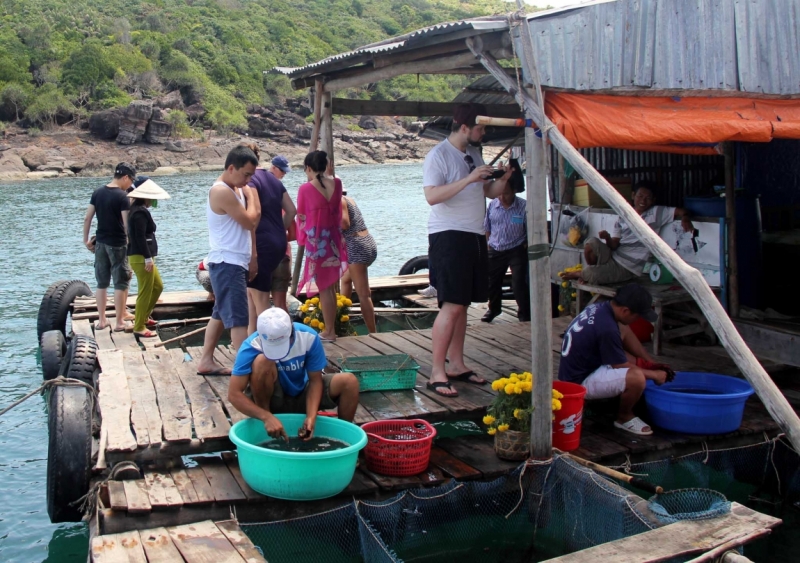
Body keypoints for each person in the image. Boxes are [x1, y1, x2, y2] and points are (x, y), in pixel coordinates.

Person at [422, 103, 512, 397]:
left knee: (465, 304)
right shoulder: (439, 155)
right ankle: (437, 371)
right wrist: (470, 179)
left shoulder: (473, 153)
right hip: (449, 235)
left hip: (475, 234)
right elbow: (433, 197)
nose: (483, 133)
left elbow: (486, 192)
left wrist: (504, 179)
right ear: (464, 127)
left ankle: (457, 364)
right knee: (451, 303)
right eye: (480, 128)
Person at [558, 283, 675, 436]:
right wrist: (655, 375)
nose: (638, 319)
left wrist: (650, 364)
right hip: (578, 382)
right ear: (625, 310)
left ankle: (648, 366)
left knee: (623, 328)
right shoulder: (607, 328)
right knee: (637, 378)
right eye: (638, 316)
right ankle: (624, 417)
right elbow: (620, 365)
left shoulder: (600, 308)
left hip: (580, 366)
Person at [228, 307, 360, 441]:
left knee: (349, 381)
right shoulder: (251, 345)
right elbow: (234, 394)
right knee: (262, 361)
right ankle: (268, 422)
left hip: (302, 392)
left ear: (291, 333)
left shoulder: (308, 336)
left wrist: (311, 416)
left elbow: (315, 381)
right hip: (272, 398)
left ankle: (345, 437)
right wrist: (266, 416)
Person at [196, 146, 261, 376]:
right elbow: (251, 221)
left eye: (251, 175)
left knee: (221, 313)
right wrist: (254, 197)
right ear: (231, 168)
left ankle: (205, 360)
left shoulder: (237, 188)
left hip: (237, 260)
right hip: (226, 262)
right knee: (238, 319)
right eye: (246, 174)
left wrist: (252, 256)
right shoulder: (221, 191)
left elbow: (248, 228)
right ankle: (247, 372)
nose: (249, 180)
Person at [562, 180, 695, 285]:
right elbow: (614, 245)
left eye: (648, 198)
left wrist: (685, 218)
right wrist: (607, 238)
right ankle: (593, 272)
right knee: (590, 242)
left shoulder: (657, 213)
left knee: (590, 273)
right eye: (640, 196)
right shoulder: (623, 215)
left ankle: (585, 274)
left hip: (628, 268)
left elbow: (682, 211)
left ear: (653, 200)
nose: (643, 201)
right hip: (613, 256)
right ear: (633, 195)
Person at [241, 145, 297, 334]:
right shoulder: (272, 180)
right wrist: (279, 229)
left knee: (261, 303)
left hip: (261, 244)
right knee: (251, 295)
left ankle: (273, 342)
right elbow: (292, 210)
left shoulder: (249, 182)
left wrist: (254, 250)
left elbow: (254, 216)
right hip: (279, 244)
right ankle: (250, 340)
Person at [296, 150, 348, 342]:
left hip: (317, 241)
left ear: (308, 168)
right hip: (334, 239)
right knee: (331, 287)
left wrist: (302, 240)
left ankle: (329, 331)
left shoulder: (305, 188)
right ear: (326, 165)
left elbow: (301, 217)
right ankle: (331, 329)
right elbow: (336, 213)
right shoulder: (338, 183)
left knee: (325, 287)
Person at [82, 162, 136, 332]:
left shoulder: (97, 192)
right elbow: (126, 224)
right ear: (125, 177)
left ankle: (102, 320)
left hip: (101, 243)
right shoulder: (122, 197)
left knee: (102, 283)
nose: (130, 185)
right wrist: (132, 243)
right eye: (131, 180)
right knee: (120, 283)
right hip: (118, 243)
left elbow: (88, 218)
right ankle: (120, 321)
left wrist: (86, 240)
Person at [126, 179, 170, 338]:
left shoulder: (137, 210)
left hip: (144, 256)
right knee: (145, 291)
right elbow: (139, 237)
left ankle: (143, 317)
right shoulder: (139, 212)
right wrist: (147, 258)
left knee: (157, 286)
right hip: (140, 256)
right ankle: (139, 326)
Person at [482, 182, 530, 323]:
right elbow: (487, 226)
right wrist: (488, 244)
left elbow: (530, 228)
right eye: (500, 194)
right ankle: (494, 309)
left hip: (516, 248)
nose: (502, 197)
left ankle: (524, 313)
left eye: (506, 193)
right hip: (496, 248)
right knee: (493, 281)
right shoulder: (492, 205)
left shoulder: (524, 206)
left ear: (515, 191)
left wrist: (525, 245)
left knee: (519, 282)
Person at [340, 189, 378, 333]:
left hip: (356, 246)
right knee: (345, 279)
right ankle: (341, 318)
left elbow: (344, 224)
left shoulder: (339, 200)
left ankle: (373, 334)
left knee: (363, 294)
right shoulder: (349, 199)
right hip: (368, 242)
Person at [267, 155, 295, 314]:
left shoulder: (257, 190)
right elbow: (292, 231)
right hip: (282, 251)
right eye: (282, 171)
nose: (283, 174)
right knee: (280, 304)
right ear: (274, 168)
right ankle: (286, 336)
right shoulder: (280, 193)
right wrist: (280, 234)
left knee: (259, 302)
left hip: (264, 251)